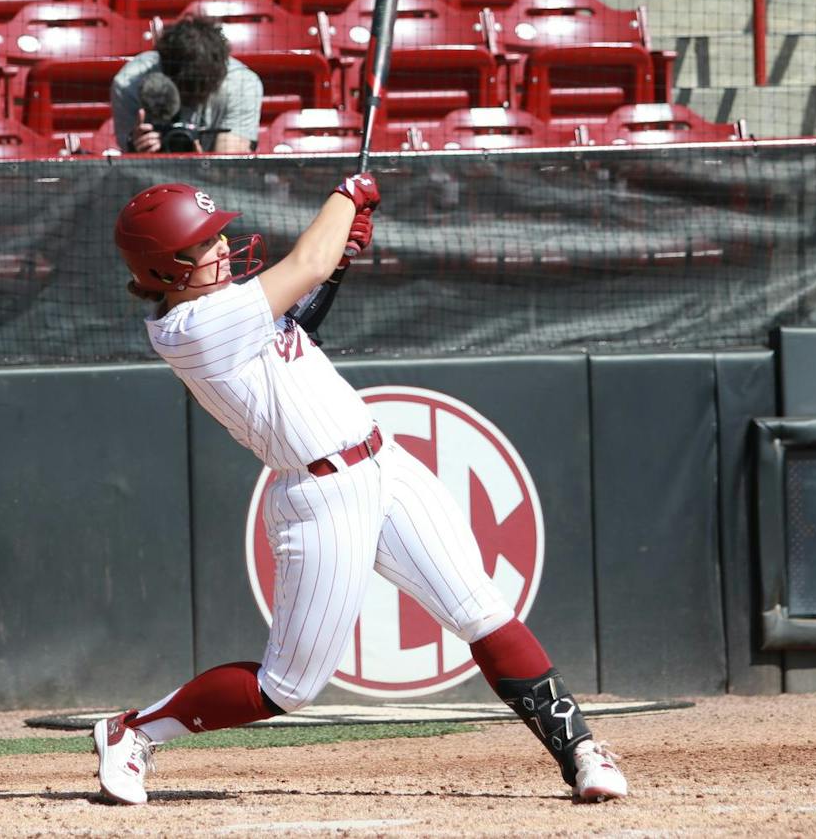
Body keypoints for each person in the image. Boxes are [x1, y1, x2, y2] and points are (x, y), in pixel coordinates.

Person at [103, 177, 628, 805]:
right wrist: (346, 196)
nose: (221, 248)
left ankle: (581, 753)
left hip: (384, 465)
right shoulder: (191, 326)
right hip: (319, 498)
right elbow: (306, 262)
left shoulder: (224, 303)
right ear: (165, 268)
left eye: (216, 235)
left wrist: (340, 262)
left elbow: (298, 317)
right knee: (288, 688)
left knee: (482, 612)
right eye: (203, 244)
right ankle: (132, 731)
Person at [110, 14, 263, 153]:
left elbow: (228, 172)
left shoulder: (242, 85)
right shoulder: (130, 83)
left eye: (199, 89)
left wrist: (198, 164)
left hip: (210, 180)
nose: (191, 96)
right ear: (166, 71)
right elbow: (131, 167)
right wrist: (136, 148)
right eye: (185, 89)